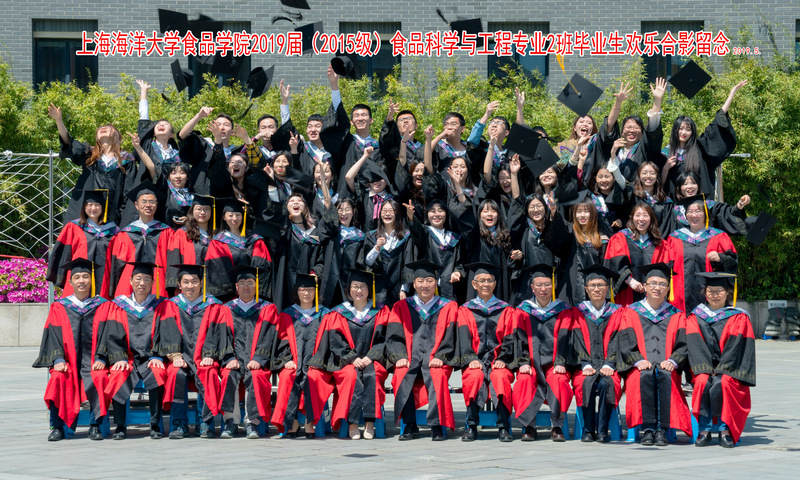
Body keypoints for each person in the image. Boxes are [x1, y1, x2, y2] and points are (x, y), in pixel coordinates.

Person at [151, 264, 238, 439]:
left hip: (205, 358)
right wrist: (175, 355)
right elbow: (167, 333)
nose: (190, 286)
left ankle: (205, 423)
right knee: (176, 373)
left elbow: (218, 333)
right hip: (180, 358)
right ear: (179, 284)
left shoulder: (214, 306)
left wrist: (209, 355)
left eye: (194, 281)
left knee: (208, 372)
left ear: (201, 283)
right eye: (186, 282)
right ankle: (179, 423)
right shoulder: (170, 306)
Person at [33, 259, 114, 441]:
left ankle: (95, 426)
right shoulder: (59, 307)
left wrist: (102, 357)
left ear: (91, 280)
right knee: (57, 377)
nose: (81, 281)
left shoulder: (103, 306)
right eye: (77, 277)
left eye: (85, 276)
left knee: (100, 377)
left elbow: (109, 335)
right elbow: (53, 335)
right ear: (70, 282)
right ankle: (57, 427)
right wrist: (58, 359)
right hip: (67, 362)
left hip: (93, 361)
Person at [306, 270, 390, 439]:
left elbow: (385, 339)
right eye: (355, 286)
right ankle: (352, 424)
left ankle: (370, 422)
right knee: (351, 375)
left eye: (363, 286)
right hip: (345, 362)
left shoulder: (381, 311)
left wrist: (371, 356)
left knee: (373, 374)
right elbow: (335, 341)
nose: (359, 290)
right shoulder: (338, 313)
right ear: (349, 290)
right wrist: (352, 358)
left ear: (369, 289)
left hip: (373, 360)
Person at [616, 263, 692, 446]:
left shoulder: (676, 314)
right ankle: (648, 429)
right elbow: (625, 342)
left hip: (667, 365)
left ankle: (661, 429)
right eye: (653, 283)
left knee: (666, 375)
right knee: (642, 376)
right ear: (645, 286)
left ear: (668, 288)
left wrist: (673, 361)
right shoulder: (631, 312)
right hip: (640, 366)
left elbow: (683, 344)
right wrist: (637, 361)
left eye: (662, 284)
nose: (657, 288)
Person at [383, 260, 460, 441]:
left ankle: (437, 425)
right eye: (420, 281)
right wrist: (400, 356)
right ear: (414, 283)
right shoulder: (401, 307)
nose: (425, 285)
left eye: (429, 280)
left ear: (436, 282)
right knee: (400, 374)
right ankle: (410, 424)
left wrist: (441, 356)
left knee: (438, 375)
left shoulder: (448, 306)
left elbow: (451, 336)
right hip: (410, 357)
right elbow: (394, 335)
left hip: (436, 358)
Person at [100, 262, 169, 439]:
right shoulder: (119, 305)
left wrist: (158, 356)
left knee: (158, 373)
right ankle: (120, 426)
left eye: (146, 279)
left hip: (151, 358)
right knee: (118, 374)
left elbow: (165, 333)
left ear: (152, 283)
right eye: (138, 279)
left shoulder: (161, 305)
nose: (142, 283)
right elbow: (113, 334)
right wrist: (120, 358)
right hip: (128, 358)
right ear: (130, 281)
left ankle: (155, 424)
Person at [686, 272, 755, 448]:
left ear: (727, 293)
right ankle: (704, 430)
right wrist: (706, 368)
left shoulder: (738, 316)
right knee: (702, 382)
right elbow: (695, 344)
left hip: (729, 368)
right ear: (705, 293)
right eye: (711, 291)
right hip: (704, 367)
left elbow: (736, 347)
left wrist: (722, 369)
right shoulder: (696, 316)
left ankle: (725, 430)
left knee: (724, 382)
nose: (715, 295)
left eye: (719, 291)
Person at [225, 265, 295, 439]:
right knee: (228, 374)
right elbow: (221, 337)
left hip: (257, 360)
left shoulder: (267, 309)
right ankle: (231, 422)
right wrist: (229, 357)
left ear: (256, 285)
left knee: (256, 376)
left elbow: (269, 337)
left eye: (250, 282)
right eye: (242, 283)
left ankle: (252, 422)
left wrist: (259, 358)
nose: (246, 286)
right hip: (234, 359)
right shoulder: (226, 309)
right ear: (236, 287)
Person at [455, 263, 520, 442]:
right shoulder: (465, 309)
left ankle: (503, 427)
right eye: (481, 281)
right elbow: (463, 337)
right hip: (474, 359)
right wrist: (470, 358)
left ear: (495, 283)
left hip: (499, 360)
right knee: (473, 377)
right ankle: (471, 426)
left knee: (500, 377)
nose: (486, 284)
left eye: (489, 280)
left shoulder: (506, 310)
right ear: (474, 284)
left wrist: (503, 358)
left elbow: (510, 337)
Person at [48, 104, 137, 225]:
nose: (103, 128)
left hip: (113, 215)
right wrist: (59, 120)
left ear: (117, 136)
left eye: (108, 127)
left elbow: (129, 191)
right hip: (87, 212)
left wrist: (124, 220)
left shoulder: (127, 159)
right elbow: (69, 143)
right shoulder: (90, 154)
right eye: (100, 128)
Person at [515, 263, 574, 441]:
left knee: (559, 380)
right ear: (532, 287)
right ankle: (528, 425)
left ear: (553, 286)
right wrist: (524, 362)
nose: (543, 288)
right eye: (539, 285)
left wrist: (561, 362)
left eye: (547, 284)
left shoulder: (563, 310)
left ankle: (557, 425)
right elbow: (518, 339)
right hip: (531, 362)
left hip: (554, 363)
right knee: (524, 379)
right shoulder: (522, 310)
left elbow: (567, 338)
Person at [661, 80, 747, 198]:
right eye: (680, 128)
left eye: (688, 129)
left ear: (692, 132)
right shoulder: (665, 152)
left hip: (697, 203)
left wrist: (731, 95)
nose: (684, 132)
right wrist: (666, 168)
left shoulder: (699, 149)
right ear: (675, 130)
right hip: (674, 202)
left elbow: (715, 125)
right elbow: (659, 184)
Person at [568, 264, 625, 443]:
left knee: (608, 383)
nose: (596, 289)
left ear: (607, 288)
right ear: (586, 288)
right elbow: (575, 341)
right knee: (586, 383)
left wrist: (610, 363)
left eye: (600, 285)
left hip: (609, 366)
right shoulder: (577, 312)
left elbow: (619, 340)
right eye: (592, 285)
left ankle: (602, 431)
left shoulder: (618, 312)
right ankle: (588, 430)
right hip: (584, 367)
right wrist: (585, 364)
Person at [663, 195, 738, 313]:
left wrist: (721, 258)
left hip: (710, 295)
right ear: (685, 215)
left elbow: (733, 260)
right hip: (680, 295)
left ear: (706, 214)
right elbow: (666, 265)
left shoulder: (718, 236)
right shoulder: (675, 237)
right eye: (690, 211)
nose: (694, 215)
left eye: (698, 211)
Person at [277, 273, 330, 437]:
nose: (306, 293)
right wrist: (286, 360)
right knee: (288, 376)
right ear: (297, 292)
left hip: (317, 363)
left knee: (313, 376)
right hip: (294, 362)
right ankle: (291, 421)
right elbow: (282, 339)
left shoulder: (325, 314)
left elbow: (328, 342)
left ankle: (309, 421)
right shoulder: (288, 314)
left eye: (310, 289)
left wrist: (318, 361)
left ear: (316, 292)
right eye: (302, 290)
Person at [103, 181, 170, 299]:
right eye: (144, 202)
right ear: (136, 205)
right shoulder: (125, 234)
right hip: (128, 286)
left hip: (158, 285)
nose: (148, 205)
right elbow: (117, 266)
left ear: (156, 205)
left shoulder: (166, 232)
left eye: (151, 202)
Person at [48, 190, 119, 298]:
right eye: (89, 205)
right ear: (84, 207)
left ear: (103, 207)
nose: (93, 208)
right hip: (79, 275)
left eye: (97, 205)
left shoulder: (113, 231)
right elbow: (65, 254)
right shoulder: (74, 227)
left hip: (104, 278)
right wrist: (62, 276)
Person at [205, 198, 271, 301]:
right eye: (230, 215)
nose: (234, 218)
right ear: (224, 217)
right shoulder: (218, 242)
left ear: (243, 216)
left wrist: (251, 288)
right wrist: (235, 290)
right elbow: (218, 270)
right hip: (230, 298)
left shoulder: (255, 239)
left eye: (238, 215)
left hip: (253, 295)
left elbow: (262, 264)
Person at [604, 203, 668, 306]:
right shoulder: (620, 238)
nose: (641, 219)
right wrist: (630, 281)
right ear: (632, 218)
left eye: (645, 215)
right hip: (627, 292)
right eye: (637, 215)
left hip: (651, 293)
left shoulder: (660, 243)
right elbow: (616, 264)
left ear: (651, 219)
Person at [406, 199, 463, 302]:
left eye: (440, 211)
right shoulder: (424, 233)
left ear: (446, 214)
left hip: (448, 287)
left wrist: (457, 272)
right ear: (427, 215)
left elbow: (459, 262)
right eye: (432, 211)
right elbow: (416, 229)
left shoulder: (454, 238)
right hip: (427, 287)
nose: (436, 214)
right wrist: (411, 216)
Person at [364, 199, 413, 306]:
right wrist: (377, 247)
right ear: (380, 213)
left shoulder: (406, 237)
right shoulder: (372, 236)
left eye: (391, 211)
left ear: (397, 214)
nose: (387, 213)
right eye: (384, 210)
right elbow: (367, 262)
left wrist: (404, 289)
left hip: (398, 288)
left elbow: (408, 262)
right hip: (377, 289)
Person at [166, 194, 214, 292]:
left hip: (212, 286)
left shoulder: (217, 235)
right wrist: (176, 286)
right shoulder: (182, 233)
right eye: (198, 209)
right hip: (189, 287)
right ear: (192, 211)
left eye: (206, 209)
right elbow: (174, 259)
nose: (202, 212)